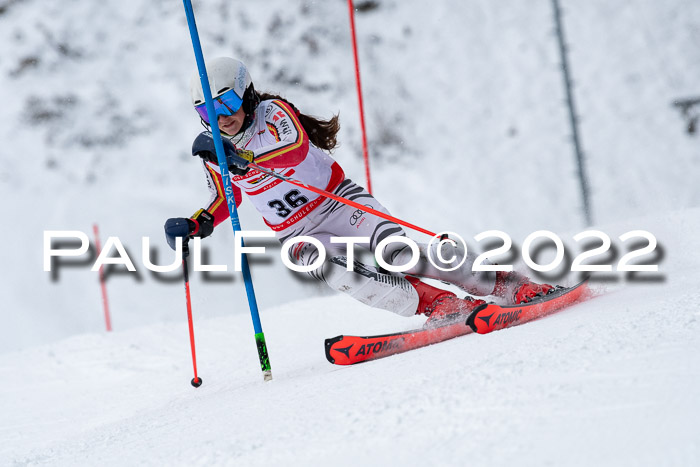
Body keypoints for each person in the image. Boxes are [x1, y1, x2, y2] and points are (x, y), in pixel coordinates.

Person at [165, 57, 553, 326]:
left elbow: (295, 150)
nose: (221, 118)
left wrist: (240, 157)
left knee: (398, 253)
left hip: (338, 202)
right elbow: (225, 199)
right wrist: (195, 225)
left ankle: (506, 284)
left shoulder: (275, 113)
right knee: (339, 271)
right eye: (207, 113)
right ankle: (440, 305)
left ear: (246, 95)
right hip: (298, 234)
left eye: (227, 103)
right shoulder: (215, 152)